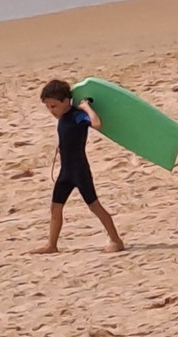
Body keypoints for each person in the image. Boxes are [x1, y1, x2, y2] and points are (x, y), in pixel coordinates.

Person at [30, 80, 125, 254]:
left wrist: (86, 108)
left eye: (54, 106)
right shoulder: (64, 117)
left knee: (94, 206)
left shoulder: (77, 115)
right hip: (65, 172)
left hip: (79, 170)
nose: (51, 111)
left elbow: (96, 124)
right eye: (48, 107)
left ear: (67, 101)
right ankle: (52, 245)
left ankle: (116, 240)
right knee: (55, 207)